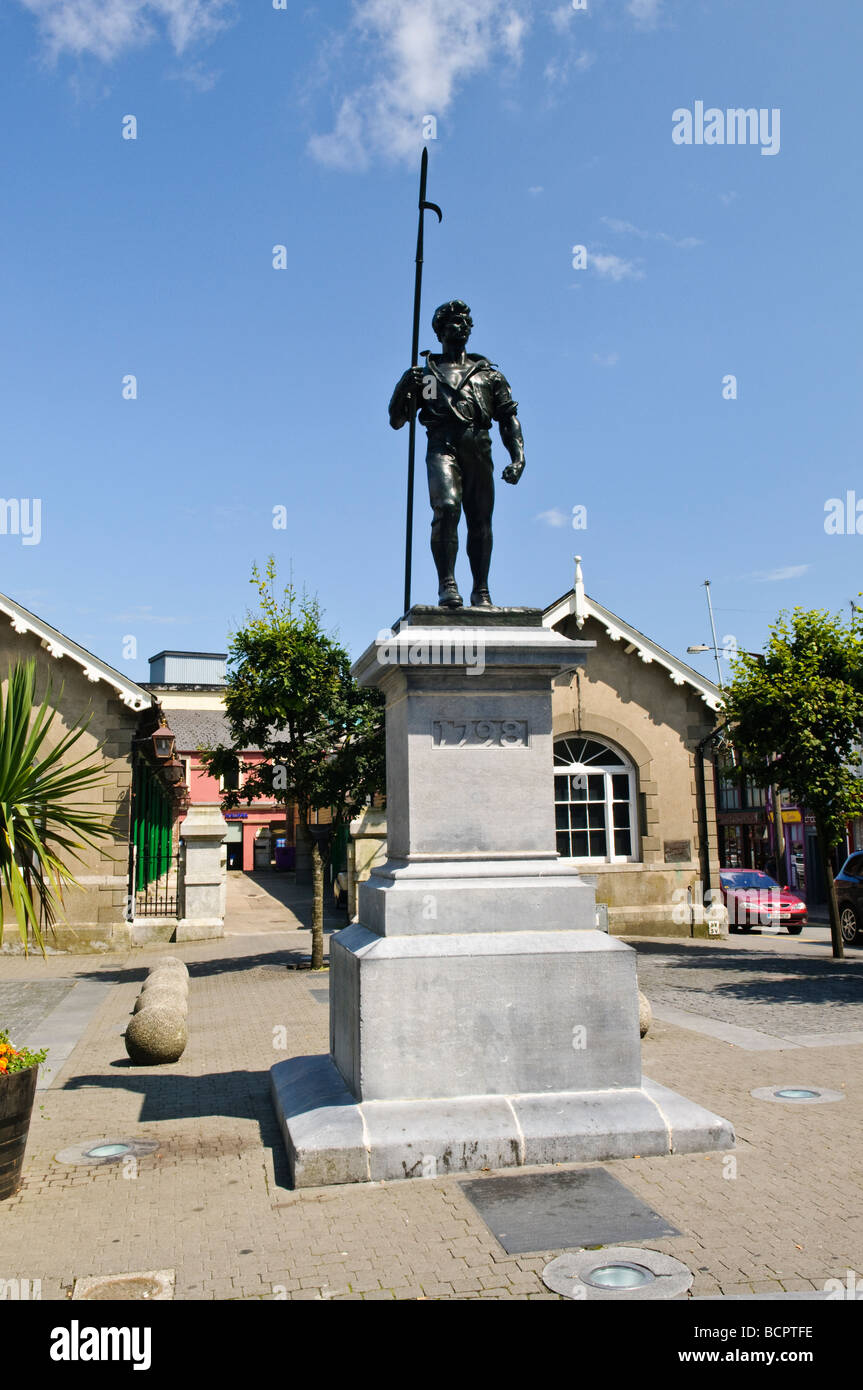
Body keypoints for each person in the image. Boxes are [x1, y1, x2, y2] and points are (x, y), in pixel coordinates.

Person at [389, 300, 525, 609]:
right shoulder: (427, 376)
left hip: (479, 445)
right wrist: (404, 389)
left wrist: (517, 457)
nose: (460, 325)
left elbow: (508, 418)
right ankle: (447, 585)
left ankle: (481, 590)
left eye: (465, 321)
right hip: (442, 445)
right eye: (452, 320)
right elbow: (398, 420)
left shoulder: (487, 375)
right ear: (439, 330)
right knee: (447, 509)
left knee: (480, 521)